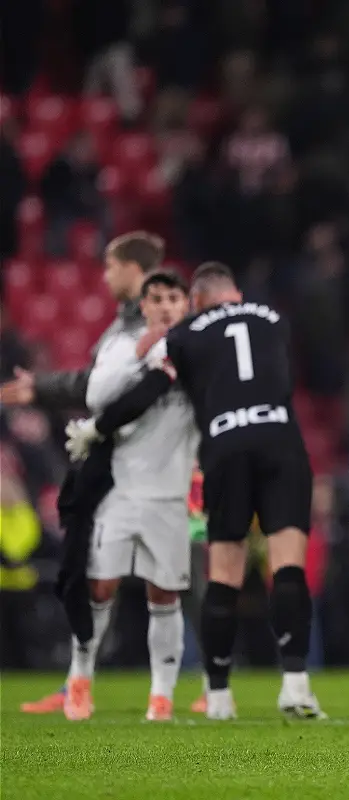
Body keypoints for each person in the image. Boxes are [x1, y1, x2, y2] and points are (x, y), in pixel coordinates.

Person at [65, 262, 324, 720]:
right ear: (236, 293)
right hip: (281, 440)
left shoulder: (185, 336)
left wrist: (97, 428)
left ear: (197, 301)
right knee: (287, 570)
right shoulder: (271, 317)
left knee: (223, 575)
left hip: (225, 445)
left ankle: (219, 696)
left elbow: (148, 389)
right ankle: (297, 687)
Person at [3, 231, 162, 716]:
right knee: (98, 572)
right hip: (122, 467)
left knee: (183, 577)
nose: (104, 276)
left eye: (111, 267)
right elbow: (93, 385)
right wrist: (46, 388)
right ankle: (78, 682)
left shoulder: (159, 327)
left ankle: (212, 682)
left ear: (133, 269)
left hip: (163, 468)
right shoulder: (118, 331)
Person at [59, 271, 197, 721]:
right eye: (154, 298)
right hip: (120, 487)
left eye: (172, 298)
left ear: (186, 303)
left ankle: (161, 697)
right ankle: (80, 679)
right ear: (144, 304)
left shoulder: (198, 350)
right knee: (99, 586)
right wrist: (139, 358)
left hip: (171, 491)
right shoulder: (122, 344)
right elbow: (98, 396)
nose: (163, 306)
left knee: (165, 594)